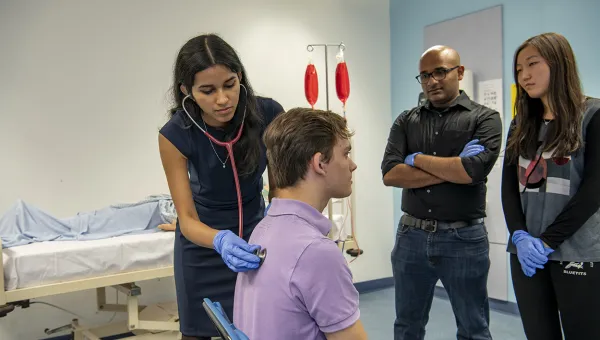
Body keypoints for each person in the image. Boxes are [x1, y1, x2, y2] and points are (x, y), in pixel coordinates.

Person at [158, 33, 284, 340]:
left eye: (229, 84)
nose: (222, 99)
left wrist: (277, 232)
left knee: (261, 328)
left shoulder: (268, 114)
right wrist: (220, 240)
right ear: (186, 90)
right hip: (202, 246)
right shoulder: (174, 135)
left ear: (240, 76)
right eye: (207, 90)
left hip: (257, 241)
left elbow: (282, 190)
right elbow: (186, 219)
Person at [381, 45, 502, 340]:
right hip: (411, 236)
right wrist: (452, 167)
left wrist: (417, 159)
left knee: (474, 328)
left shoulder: (485, 119)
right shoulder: (406, 120)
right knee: (407, 325)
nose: (432, 81)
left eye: (440, 72)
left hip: (464, 240)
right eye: (424, 75)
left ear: (459, 73)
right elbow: (390, 174)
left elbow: (471, 171)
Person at [233, 108, 368, 340]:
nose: (352, 165)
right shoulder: (316, 251)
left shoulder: (263, 229)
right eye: (346, 154)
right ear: (319, 164)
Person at [501, 32, 600, 340]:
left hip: (576, 251)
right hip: (526, 254)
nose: (524, 75)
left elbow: (594, 190)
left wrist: (547, 242)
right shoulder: (521, 123)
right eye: (519, 69)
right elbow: (508, 187)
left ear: (559, 64)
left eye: (532, 64)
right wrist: (518, 235)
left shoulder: (592, 116)